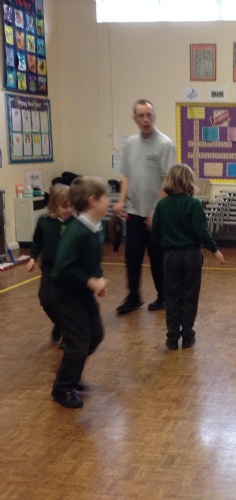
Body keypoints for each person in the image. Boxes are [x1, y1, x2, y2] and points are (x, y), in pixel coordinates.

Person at [151, 163, 224, 350]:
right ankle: (188, 336)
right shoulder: (194, 204)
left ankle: (172, 338)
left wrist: (168, 242)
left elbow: (155, 233)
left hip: (171, 256)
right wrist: (214, 249)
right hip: (191, 255)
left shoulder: (162, 204)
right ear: (189, 181)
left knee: (172, 296)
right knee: (190, 296)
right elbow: (202, 231)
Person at [51, 176, 109, 408]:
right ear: (92, 201)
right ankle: (62, 388)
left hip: (82, 292)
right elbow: (62, 268)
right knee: (79, 343)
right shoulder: (77, 231)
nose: (108, 202)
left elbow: (92, 260)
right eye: (105, 198)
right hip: (66, 295)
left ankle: (72, 374)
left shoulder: (96, 227)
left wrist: (98, 278)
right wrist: (91, 281)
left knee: (95, 335)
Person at [114, 99, 177, 314]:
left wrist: (154, 211)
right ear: (135, 119)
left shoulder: (165, 144)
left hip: (156, 214)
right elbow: (126, 176)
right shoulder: (130, 144)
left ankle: (163, 296)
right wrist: (121, 201)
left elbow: (167, 181)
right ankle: (133, 297)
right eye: (141, 116)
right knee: (132, 257)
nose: (145, 119)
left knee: (158, 257)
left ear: (154, 117)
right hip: (134, 211)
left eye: (149, 115)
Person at [27, 184, 75, 343]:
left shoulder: (75, 224)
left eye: (71, 206)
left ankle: (68, 333)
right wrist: (32, 257)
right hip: (49, 269)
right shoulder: (44, 222)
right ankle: (60, 324)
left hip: (68, 271)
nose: (69, 210)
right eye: (64, 206)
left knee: (65, 302)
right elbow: (37, 242)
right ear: (54, 205)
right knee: (46, 299)